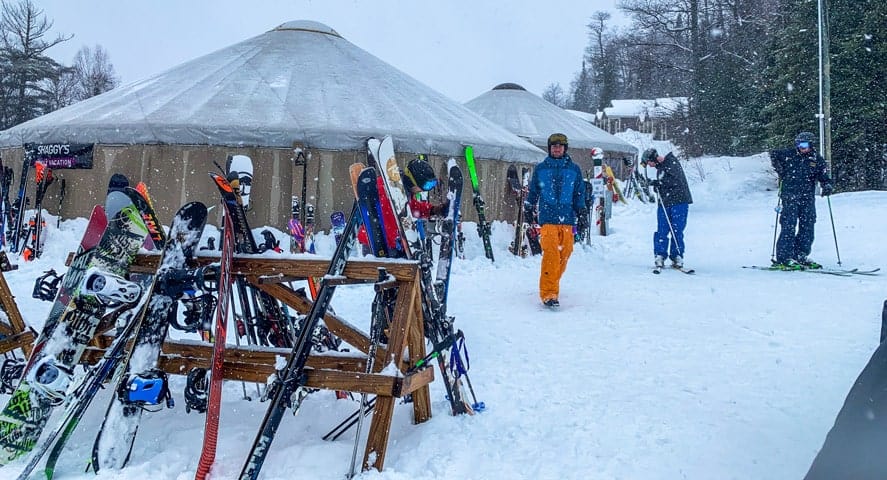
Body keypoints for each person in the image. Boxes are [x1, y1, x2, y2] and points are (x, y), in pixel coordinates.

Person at [525, 133, 587, 308]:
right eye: (554, 146)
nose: (557, 149)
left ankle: (551, 280)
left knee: (565, 252)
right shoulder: (541, 169)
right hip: (548, 218)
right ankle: (549, 293)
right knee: (551, 253)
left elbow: (579, 192)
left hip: (567, 217)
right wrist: (529, 206)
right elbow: (533, 191)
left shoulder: (574, 169)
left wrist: (581, 211)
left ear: (565, 148)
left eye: (560, 146)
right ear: (550, 149)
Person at [769, 131, 833, 268]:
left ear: (811, 144)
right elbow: (773, 153)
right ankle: (784, 257)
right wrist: (779, 168)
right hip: (790, 196)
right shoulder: (789, 154)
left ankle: (800, 254)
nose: (801, 147)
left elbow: (823, 175)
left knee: (808, 226)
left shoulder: (816, 159)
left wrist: (827, 185)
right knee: (788, 225)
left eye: (804, 144)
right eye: (798, 144)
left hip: (807, 197)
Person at [642, 148, 693, 268]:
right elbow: (665, 183)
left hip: (678, 201)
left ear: (653, 158)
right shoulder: (660, 168)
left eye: (649, 163)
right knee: (662, 229)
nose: (650, 166)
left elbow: (675, 181)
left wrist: (659, 184)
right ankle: (660, 254)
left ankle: (677, 255)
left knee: (677, 229)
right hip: (664, 203)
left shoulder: (672, 163)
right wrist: (656, 185)